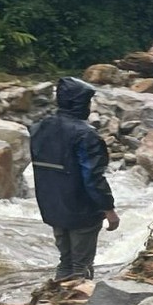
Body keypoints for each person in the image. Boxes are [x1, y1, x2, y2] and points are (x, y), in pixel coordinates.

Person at [30, 77, 118, 282]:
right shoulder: (86, 135)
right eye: (87, 102)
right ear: (79, 104)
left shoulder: (38, 128)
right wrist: (109, 209)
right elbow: (93, 177)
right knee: (81, 267)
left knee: (65, 261)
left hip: (52, 206)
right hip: (81, 209)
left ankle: (54, 303)